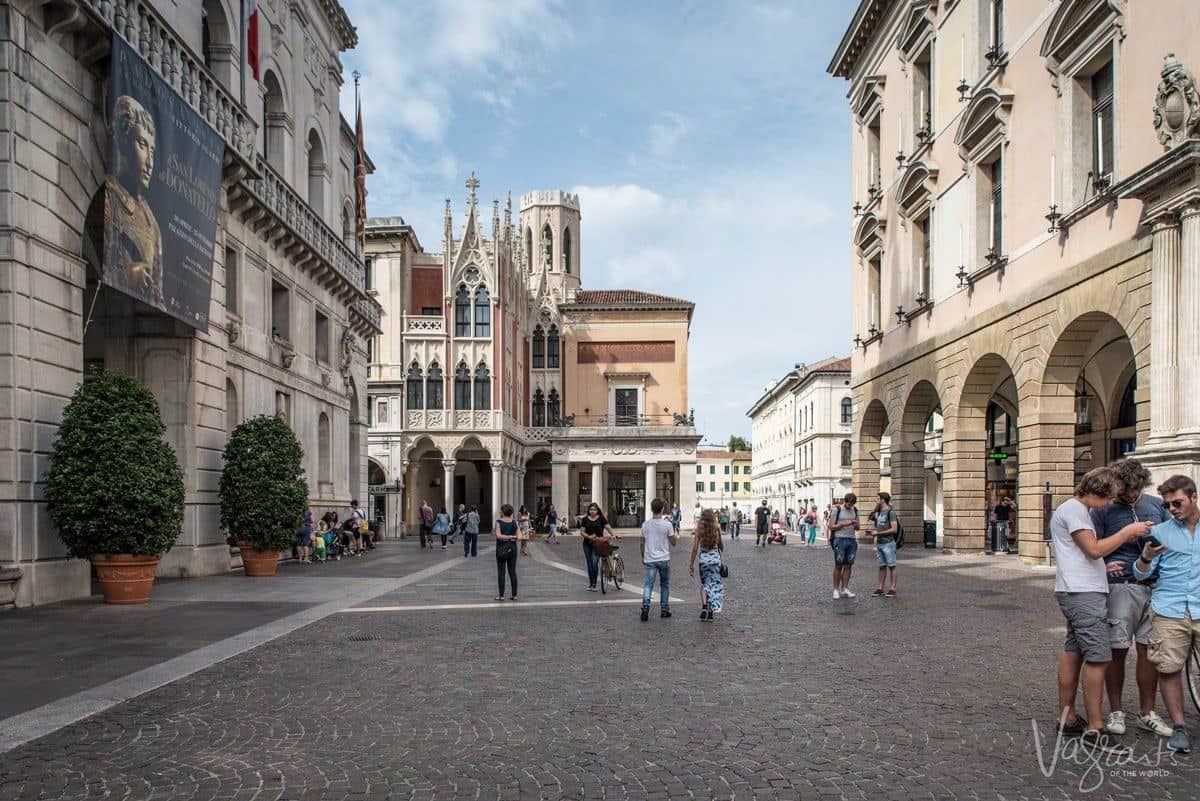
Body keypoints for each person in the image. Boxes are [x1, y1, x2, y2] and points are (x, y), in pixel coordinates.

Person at [1049, 466, 1149, 748]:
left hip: (1077, 588)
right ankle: (1095, 727)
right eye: (1108, 498)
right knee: (1099, 658)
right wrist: (1127, 532)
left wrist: (1102, 568)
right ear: (1097, 492)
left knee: (1074, 651)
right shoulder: (1076, 511)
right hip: (1083, 594)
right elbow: (1092, 549)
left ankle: (1067, 718)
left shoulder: (1072, 509)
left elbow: (1083, 555)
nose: (1109, 504)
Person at [1088, 459, 1173, 738]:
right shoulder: (1104, 510)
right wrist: (1125, 537)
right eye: (1123, 491)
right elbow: (1093, 549)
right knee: (1117, 649)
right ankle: (1115, 710)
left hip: (1155, 585)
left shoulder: (1156, 505)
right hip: (1121, 584)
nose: (1127, 496)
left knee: (1150, 651)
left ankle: (1147, 712)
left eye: (1132, 490)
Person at [1133, 474, 1200, 753]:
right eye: (1168, 504)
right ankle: (1180, 726)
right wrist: (1146, 557)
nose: (1173, 509)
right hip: (1169, 609)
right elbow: (1139, 574)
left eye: (1178, 502)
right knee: (1169, 668)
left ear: (1193, 497)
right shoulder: (1161, 532)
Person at [640, 498, 678, 621]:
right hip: (663, 558)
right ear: (662, 509)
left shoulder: (645, 524)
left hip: (650, 559)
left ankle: (645, 607)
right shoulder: (667, 525)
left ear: (651, 509)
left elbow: (642, 543)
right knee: (665, 584)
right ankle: (664, 609)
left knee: (648, 584)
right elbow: (673, 543)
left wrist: (643, 557)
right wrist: (674, 535)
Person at [689, 509, 725, 621]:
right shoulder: (716, 528)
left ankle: (705, 606)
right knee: (713, 585)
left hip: (703, 560)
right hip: (715, 561)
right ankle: (710, 611)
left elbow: (695, 548)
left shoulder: (699, 530)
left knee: (705, 584)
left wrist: (691, 564)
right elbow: (721, 546)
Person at [829, 493, 860, 599]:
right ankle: (836, 589)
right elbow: (831, 526)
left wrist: (855, 524)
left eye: (852, 504)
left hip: (851, 539)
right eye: (848, 503)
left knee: (848, 565)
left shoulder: (855, 510)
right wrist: (843, 524)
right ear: (844, 501)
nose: (849, 505)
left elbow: (858, 528)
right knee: (838, 565)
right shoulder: (837, 510)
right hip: (839, 539)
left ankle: (845, 588)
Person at [580, 502, 614, 591]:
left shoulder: (601, 519)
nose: (592, 511)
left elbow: (608, 527)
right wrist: (588, 536)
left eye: (594, 510)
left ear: (597, 510)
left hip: (598, 544)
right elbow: (582, 532)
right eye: (591, 509)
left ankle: (594, 584)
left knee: (594, 563)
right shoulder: (585, 519)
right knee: (589, 564)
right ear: (588, 510)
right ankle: (591, 583)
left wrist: (613, 535)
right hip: (587, 544)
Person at [870, 492, 899, 597]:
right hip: (880, 543)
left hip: (888, 543)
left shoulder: (891, 512)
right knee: (881, 566)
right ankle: (880, 588)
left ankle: (892, 588)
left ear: (883, 500)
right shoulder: (879, 512)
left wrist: (878, 533)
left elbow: (894, 529)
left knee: (892, 565)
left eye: (877, 499)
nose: (876, 500)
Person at [493, 503, 519, 601]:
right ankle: (514, 595)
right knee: (512, 572)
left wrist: (507, 537)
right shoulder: (514, 522)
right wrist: (512, 537)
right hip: (512, 549)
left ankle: (501, 595)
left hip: (501, 549)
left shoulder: (498, 522)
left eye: (501, 510)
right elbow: (519, 536)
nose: (499, 512)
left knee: (501, 573)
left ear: (503, 512)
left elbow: (498, 535)